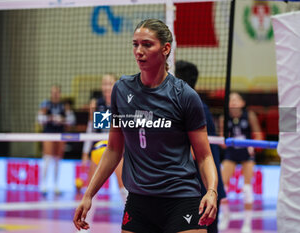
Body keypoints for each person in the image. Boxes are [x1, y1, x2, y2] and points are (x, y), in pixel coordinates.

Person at [74, 19, 218, 233]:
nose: (138, 51)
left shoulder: (185, 95)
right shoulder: (121, 90)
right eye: (135, 44)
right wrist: (88, 194)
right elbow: (113, 149)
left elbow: (204, 155)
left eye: (147, 44)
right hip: (139, 202)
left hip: (181, 199)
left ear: (166, 49)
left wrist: (212, 191)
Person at [175, 60, 227, 233]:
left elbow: (196, 153)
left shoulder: (192, 107)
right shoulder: (192, 105)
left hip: (200, 188)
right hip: (200, 186)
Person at [218, 92, 263, 233]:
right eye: (231, 100)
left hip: (246, 154)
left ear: (243, 103)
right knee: (222, 188)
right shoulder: (224, 118)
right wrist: (225, 142)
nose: (233, 102)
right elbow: (221, 141)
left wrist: (253, 145)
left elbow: (259, 135)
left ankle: (247, 223)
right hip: (231, 153)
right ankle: (226, 215)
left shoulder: (249, 115)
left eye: (236, 100)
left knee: (247, 189)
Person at [37, 85, 76, 195]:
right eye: (53, 92)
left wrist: (62, 120)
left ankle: (56, 186)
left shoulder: (64, 106)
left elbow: (72, 121)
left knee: (57, 160)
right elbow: (39, 119)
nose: (55, 94)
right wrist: (50, 118)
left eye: (57, 92)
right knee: (47, 158)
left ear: (60, 93)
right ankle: (43, 185)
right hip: (48, 134)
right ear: (51, 93)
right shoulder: (46, 104)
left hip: (60, 134)